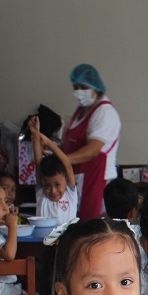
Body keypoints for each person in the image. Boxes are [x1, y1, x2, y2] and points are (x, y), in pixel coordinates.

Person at [61, 64, 121, 220]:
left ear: (95, 86)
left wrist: (62, 159)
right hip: (78, 178)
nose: (79, 91)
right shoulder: (80, 111)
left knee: (93, 226)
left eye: (84, 87)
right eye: (76, 87)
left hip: (98, 179)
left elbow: (93, 150)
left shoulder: (105, 113)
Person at [103, 177, 148, 295]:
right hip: (142, 294)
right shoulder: (141, 234)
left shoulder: (100, 234)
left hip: (114, 294)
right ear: (133, 213)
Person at [30, 116, 78, 223]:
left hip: (68, 240)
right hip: (43, 239)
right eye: (47, 186)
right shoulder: (41, 194)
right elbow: (38, 163)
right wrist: (35, 134)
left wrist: (47, 141)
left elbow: (67, 163)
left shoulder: (70, 193)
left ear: (66, 179)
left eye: (57, 184)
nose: (53, 191)